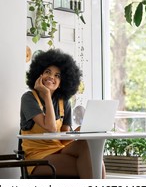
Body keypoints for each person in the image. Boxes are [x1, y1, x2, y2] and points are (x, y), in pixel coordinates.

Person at [20, 48, 105, 178]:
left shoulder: (63, 102)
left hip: (59, 149)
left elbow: (63, 138)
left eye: (57, 75)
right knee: (93, 165)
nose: (51, 77)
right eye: (47, 72)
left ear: (61, 83)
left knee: (89, 148)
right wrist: (47, 94)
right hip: (36, 156)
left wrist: (79, 131)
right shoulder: (29, 98)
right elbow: (51, 128)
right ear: (39, 75)